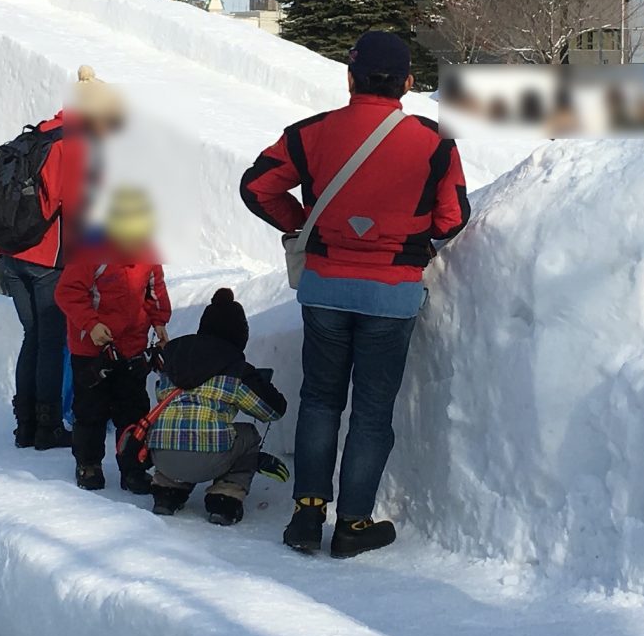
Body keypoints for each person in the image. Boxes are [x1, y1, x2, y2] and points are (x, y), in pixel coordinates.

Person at [239, 30, 469, 557]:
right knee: (371, 410)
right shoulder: (434, 142)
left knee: (320, 400)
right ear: (408, 84)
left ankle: (306, 514)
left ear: (349, 77)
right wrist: (411, 241)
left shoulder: (311, 133)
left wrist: (305, 226)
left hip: (325, 289)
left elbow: (258, 186)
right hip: (391, 293)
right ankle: (354, 524)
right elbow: (453, 217)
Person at [0, 67, 124, 449]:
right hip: (47, 258)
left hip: (12, 254)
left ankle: (25, 424)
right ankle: (47, 427)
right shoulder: (77, 145)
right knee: (50, 341)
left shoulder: (39, 134)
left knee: (31, 338)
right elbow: (78, 208)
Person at [135, 288, 291, 524]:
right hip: (208, 458)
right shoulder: (235, 368)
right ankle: (225, 499)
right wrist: (257, 383)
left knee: (177, 426)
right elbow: (272, 411)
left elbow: (162, 396)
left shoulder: (173, 358)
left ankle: (167, 492)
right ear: (239, 335)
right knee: (247, 434)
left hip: (162, 455)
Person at [54, 183, 170, 492]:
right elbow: (67, 293)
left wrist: (159, 323)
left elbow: (154, 291)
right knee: (90, 410)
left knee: (132, 410)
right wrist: (91, 325)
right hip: (91, 348)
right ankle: (88, 463)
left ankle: (133, 467)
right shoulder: (91, 251)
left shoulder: (147, 254)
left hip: (132, 346)